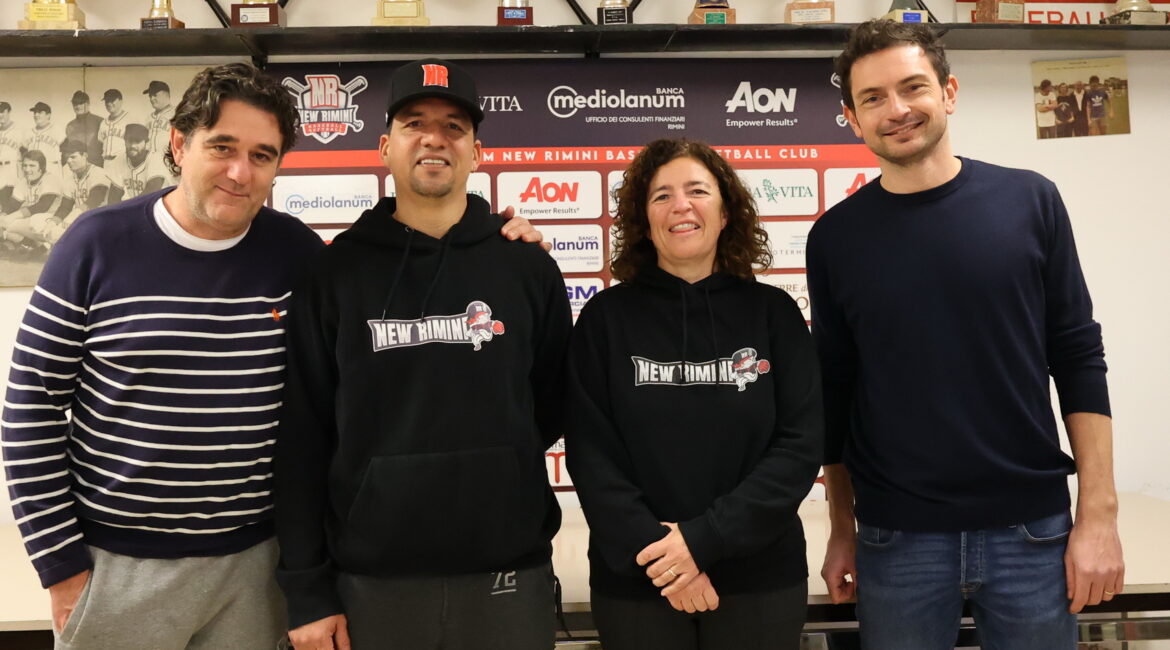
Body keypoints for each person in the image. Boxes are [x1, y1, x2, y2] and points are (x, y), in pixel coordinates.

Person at [0, 61, 550, 650]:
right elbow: (30, 407)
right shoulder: (94, 245)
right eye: (222, 147)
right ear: (179, 144)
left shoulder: (296, 255)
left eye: (261, 155)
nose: (240, 171)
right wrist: (59, 562)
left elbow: (540, 401)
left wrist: (504, 239)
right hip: (118, 565)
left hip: (255, 568)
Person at [810, 20, 1123, 650]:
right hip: (896, 539)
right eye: (873, 98)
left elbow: (1078, 357)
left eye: (912, 87)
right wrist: (841, 525)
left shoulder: (1031, 201)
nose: (896, 110)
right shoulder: (834, 238)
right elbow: (834, 393)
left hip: (1033, 533)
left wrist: (1098, 514)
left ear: (948, 92)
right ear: (852, 118)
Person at [274, 58, 571, 650]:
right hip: (371, 579)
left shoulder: (527, 267)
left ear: (476, 153)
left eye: (454, 127)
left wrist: (489, 469)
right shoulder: (335, 273)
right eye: (415, 123)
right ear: (385, 147)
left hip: (507, 570)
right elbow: (303, 436)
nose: (435, 139)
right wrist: (307, 590)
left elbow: (552, 402)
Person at [564, 138, 822, 650]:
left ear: (725, 213)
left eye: (697, 191)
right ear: (644, 222)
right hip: (640, 579)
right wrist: (665, 557)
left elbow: (799, 445)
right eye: (661, 196)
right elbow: (592, 455)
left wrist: (703, 542)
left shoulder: (774, 314)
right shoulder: (604, 320)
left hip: (759, 580)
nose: (680, 205)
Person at [106, 123, 168, 201]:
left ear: (146, 143)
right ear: (124, 141)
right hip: (137, 205)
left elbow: (151, 193)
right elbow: (114, 197)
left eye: (137, 141)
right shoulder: (120, 159)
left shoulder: (156, 159)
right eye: (129, 140)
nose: (133, 145)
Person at [65, 91, 105, 167]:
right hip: (78, 167)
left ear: (88, 103)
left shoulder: (100, 121)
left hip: (97, 165)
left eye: (80, 103)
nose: (77, 106)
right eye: (75, 103)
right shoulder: (70, 126)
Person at [96, 89, 133, 163]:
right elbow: (100, 142)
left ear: (121, 101)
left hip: (123, 162)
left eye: (112, 100)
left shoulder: (131, 120)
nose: (109, 103)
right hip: (106, 162)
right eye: (107, 101)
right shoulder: (103, 123)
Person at [26, 102, 65, 168]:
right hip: (33, 168)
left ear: (48, 115)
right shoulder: (29, 132)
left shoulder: (57, 130)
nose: (36, 115)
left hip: (51, 167)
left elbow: (65, 151)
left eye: (40, 112)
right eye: (35, 113)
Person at [144, 80, 175, 155]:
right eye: (150, 96)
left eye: (155, 95)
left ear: (166, 95)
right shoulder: (148, 118)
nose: (152, 99)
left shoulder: (177, 113)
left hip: (168, 159)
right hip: (149, 160)